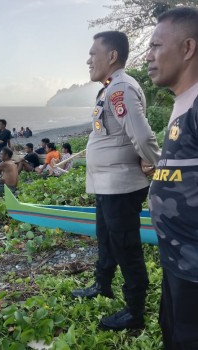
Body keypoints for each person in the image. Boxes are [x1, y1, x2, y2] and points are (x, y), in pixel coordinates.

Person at [71, 31, 160, 331]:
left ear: (111, 56)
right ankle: (103, 285)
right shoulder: (109, 88)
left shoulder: (121, 88)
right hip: (106, 186)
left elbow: (141, 133)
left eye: (93, 53)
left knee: (127, 248)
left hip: (122, 187)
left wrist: (156, 164)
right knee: (107, 240)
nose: (88, 59)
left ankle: (135, 312)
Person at [147, 7, 198, 349]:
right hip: (177, 260)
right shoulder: (182, 102)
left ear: (188, 48)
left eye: (156, 46)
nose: (148, 56)